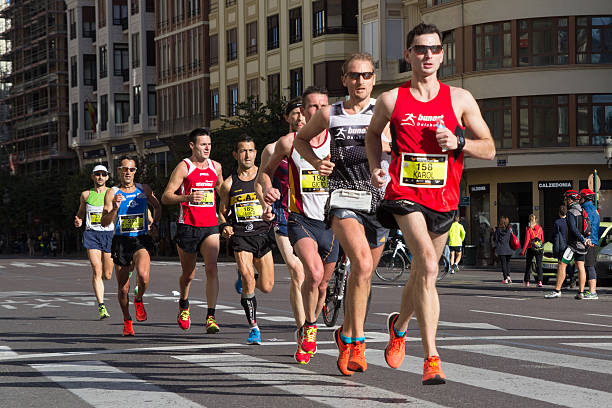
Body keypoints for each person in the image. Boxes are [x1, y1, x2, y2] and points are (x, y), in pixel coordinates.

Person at [365, 22, 495, 385]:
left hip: (444, 199)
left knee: (424, 273)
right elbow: (372, 134)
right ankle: (432, 357)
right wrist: (378, 167)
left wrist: (459, 143)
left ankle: (399, 324)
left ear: (442, 55)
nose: (427, 55)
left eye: (434, 49)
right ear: (408, 54)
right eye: (420, 49)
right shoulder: (392, 99)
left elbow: (490, 147)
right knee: (426, 263)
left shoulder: (460, 99)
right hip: (404, 196)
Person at [294, 55, 391, 376]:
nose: (361, 80)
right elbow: (301, 140)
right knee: (361, 264)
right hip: (342, 197)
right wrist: (315, 162)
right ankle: (358, 343)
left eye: (366, 75)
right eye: (354, 75)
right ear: (345, 79)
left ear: (374, 78)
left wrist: (387, 168)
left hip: (377, 201)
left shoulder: (385, 111)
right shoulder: (330, 113)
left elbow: (400, 148)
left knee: (363, 276)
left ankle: (346, 334)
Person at [260, 87, 339, 362]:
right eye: (313, 107)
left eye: (324, 106)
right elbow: (266, 174)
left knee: (323, 284)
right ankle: (309, 327)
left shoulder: (339, 140)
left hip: (333, 222)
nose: (319, 112)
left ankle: (311, 323)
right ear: (303, 112)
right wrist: (268, 190)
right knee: (313, 274)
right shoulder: (289, 143)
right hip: (300, 219)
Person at [256, 97, 309, 363]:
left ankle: (311, 318)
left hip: (314, 215)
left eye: (304, 113)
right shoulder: (274, 147)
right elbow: (261, 179)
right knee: (297, 271)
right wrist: (265, 197)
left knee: (315, 276)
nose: (300, 118)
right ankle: (302, 332)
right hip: (284, 214)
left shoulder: (322, 145)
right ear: (287, 118)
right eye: (295, 114)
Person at [161, 128, 224, 333]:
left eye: (210, 144)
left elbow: (224, 192)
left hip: (210, 227)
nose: (207, 148)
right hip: (188, 226)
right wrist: (186, 198)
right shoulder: (184, 167)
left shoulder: (216, 167)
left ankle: (211, 317)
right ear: (192, 146)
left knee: (212, 268)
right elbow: (166, 196)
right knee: (188, 274)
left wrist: (225, 214)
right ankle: (184, 303)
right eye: (203, 144)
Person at [219, 134, 276, 345]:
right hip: (241, 236)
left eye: (251, 150)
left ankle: (243, 279)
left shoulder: (263, 178)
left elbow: (273, 201)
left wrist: (271, 212)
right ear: (236, 155)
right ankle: (254, 327)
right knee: (248, 278)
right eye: (243, 150)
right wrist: (224, 226)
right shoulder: (228, 184)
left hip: (262, 234)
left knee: (267, 286)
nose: (247, 155)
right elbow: (222, 212)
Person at [101, 156, 161, 336]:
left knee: (143, 276)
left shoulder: (144, 190)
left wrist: (155, 225)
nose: (128, 172)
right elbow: (104, 222)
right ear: (119, 171)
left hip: (141, 239)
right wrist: (115, 209)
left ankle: (139, 299)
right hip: (121, 241)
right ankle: (127, 319)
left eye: (131, 169)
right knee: (123, 288)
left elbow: (158, 206)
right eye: (125, 169)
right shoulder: (112, 193)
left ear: (136, 172)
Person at [74, 165, 115, 319]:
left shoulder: (112, 193)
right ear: (92, 177)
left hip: (108, 234)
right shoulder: (86, 195)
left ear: (107, 177)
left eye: (103, 174)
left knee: (108, 274)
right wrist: (78, 219)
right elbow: (81, 212)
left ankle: (103, 284)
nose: (100, 177)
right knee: (96, 269)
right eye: (97, 174)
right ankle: (101, 306)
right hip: (91, 235)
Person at [545, 190, 592, 299]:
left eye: (566, 198)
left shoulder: (571, 212)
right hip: (582, 245)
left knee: (562, 264)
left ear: (571, 199)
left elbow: (573, 229)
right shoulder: (582, 210)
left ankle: (557, 290)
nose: (565, 200)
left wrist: (581, 238)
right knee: (580, 267)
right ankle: (580, 292)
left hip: (573, 245)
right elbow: (588, 227)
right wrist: (586, 239)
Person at [579, 188, 599, 299]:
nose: (579, 199)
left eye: (580, 197)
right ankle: (591, 291)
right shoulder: (594, 209)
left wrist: (586, 239)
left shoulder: (585, 210)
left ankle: (593, 292)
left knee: (589, 266)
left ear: (584, 198)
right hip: (593, 240)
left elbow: (586, 226)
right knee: (588, 266)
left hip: (588, 241)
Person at [551, 205, 575, 288]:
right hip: (569, 245)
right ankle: (572, 278)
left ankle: (563, 282)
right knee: (567, 262)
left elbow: (554, 234)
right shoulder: (569, 221)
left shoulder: (557, 222)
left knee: (561, 264)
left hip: (561, 245)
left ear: (559, 213)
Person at [521, 214, 544, 287]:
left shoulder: (528, 229)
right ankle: (540, 281)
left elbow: (527, 240)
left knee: (528, 265)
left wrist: (523, 250)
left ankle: (527, 281)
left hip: (531, 248)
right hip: (539, 248)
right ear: (536, 220)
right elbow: (542, 239)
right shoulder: (540, 228)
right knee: (539, 264)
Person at [493, 216, 513, 283]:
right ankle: (508, 276)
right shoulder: (509, 230)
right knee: (508, 264)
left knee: (503, 264)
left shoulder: (498, 230)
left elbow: (495, 239)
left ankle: (505, 279)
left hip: (501, 249)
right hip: (509, 249)